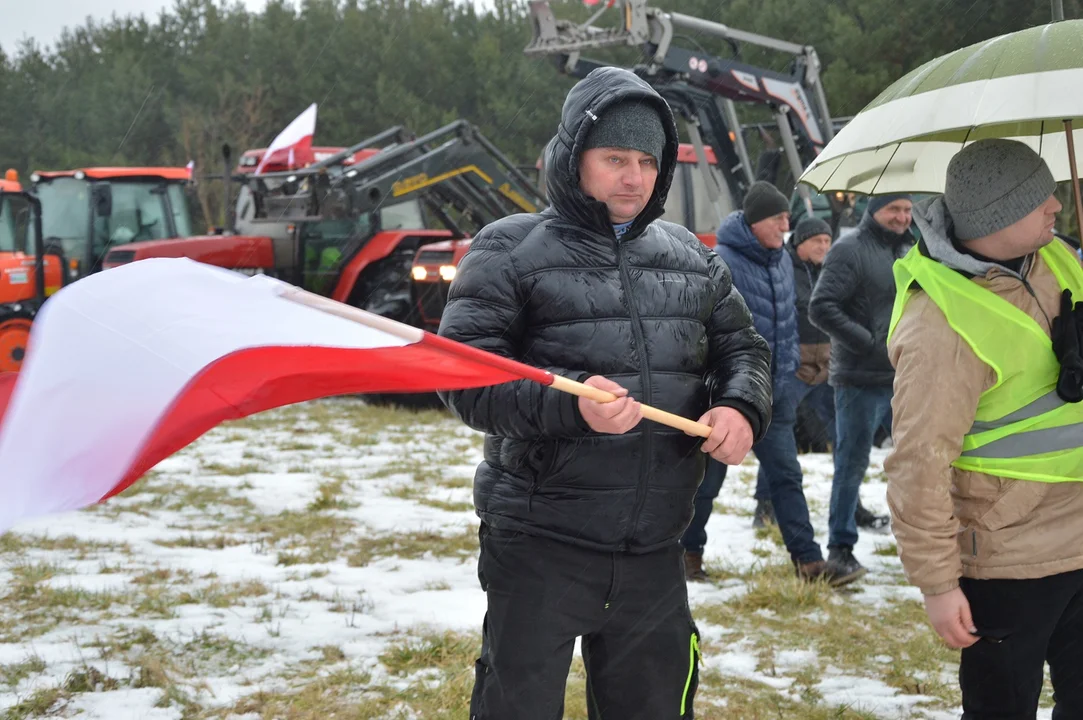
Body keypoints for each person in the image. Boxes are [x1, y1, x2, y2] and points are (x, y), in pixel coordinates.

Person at [436, 66, 773, 720]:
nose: (633, 176)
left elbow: (743, 348)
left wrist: (740, 404)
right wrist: (572, 408)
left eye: (647, 160)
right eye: (613, 158)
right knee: (517, 705)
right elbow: (467, 377)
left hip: (652, 545)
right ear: (573, 158)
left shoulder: (689, 256)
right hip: (539, 541)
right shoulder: (509, 248)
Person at [884, 138, 1083, 718]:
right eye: (1038, 197)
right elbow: (918, 464)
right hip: (1008, 559)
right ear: (999, 214)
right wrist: (939, 586)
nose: (1055, 205)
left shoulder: (1059, 259)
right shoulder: (941, 324)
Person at [686, 180, 864, 587]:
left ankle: (808, 561)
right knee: (707, 483)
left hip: (774, 397)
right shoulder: (720, 260)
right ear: (755, 221)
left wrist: (783, 378)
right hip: (726, 397)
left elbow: (785, 328)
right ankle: (687, 555)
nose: (787, 224)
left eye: (788, 216)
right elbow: (706, 331)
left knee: (787, 476)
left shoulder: (781, 259)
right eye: (779, 217)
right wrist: (719, 389)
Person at [809, 192, 914, 578]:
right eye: (894, 210)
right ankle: (840, 547)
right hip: (860, 377)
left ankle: (918, 541)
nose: (902, 217)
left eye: (907, 210)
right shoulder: (848, 249)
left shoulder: (911, 248)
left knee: (916, 459)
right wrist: (867, 341)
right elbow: (822, 306)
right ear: (874, 211)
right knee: (851, 464)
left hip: (904, 373)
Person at [788, 216, 835, 451]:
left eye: (827, 240)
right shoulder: (784, 267)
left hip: (825, 367)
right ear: (800, 242)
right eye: (817, 240)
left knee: (834, 430)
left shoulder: (829, 270)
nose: (824, 246)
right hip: (794, 368)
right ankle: (767, 489)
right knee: (780, 429)